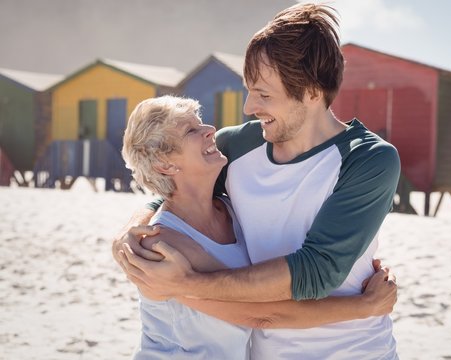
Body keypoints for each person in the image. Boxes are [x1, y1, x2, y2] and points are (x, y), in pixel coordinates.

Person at [115, 3, 401, 359]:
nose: (249, 107)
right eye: (249, 90)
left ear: (312, 92)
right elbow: (177, 184)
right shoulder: (239, 145)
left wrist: (186, 284)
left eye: (264, 94)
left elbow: (316, 270)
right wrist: (131, 232)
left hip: (354, 351)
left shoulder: (368, 159)